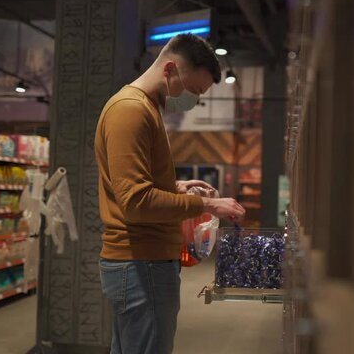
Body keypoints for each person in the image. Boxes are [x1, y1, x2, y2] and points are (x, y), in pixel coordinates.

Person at [94, 33, 245, 354]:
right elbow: (135, 203)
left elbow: (130, 186)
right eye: (193, 90)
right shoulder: (131, 111)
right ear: (170, 69)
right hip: (140, 264)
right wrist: (208, 205)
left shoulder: (145, 108)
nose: (192, 100)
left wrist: (175, 187)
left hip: (143, 264)